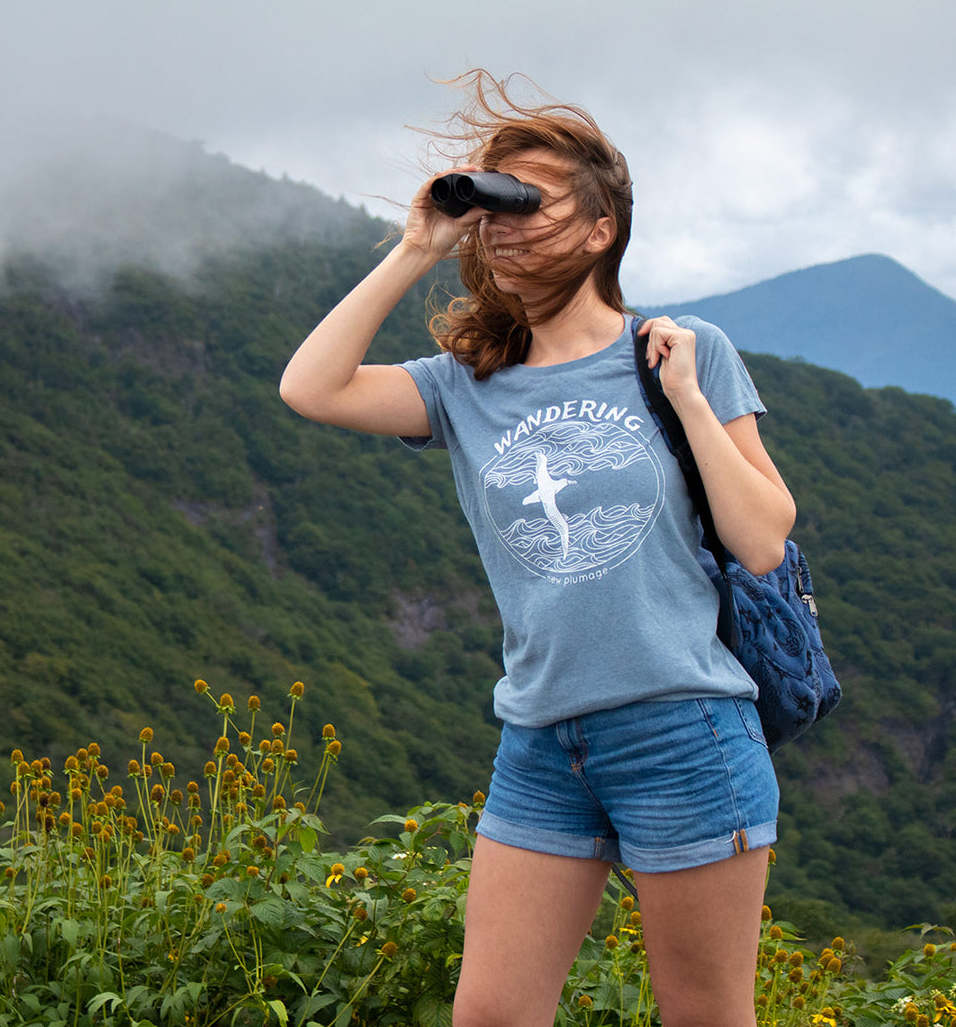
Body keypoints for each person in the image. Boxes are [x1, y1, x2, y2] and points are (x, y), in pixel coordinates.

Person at [279, 71, 796, 1027]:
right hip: (541, 735)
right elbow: (311, 389)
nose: (501, 224)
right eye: (492, 204)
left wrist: (685, 396)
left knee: (703, 1015)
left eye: (530, 204)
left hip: (682, 729)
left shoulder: (683, 350)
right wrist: (414, 246)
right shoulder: (465, 383)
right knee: (491, 1015)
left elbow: (762, 542)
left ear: (601, 229)